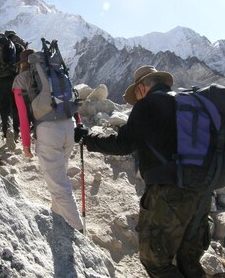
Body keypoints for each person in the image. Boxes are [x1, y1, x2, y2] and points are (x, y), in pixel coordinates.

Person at [74, 66, 211, 277]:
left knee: (155, 261)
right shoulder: (188, 103)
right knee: (188, 259)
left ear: (141, 87)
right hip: (203, 191)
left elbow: (124, 144)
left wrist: (88, 139)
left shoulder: (148, 105)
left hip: (169, 194)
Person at [12, 49, 84, 232]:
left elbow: (22, 114)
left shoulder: (21, 79)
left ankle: (79, 231)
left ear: (21, 64)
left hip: (48, 131)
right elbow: (69, 98)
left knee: (59, 185)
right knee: (60, 176)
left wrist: (26, 144)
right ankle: (58, 217)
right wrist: (79, 123)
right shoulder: (52, 73)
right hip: (69, 125)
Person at [0, 34, 20, 150]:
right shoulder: (12, 46)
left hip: (0, 80)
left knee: (4, 107)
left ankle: (7, 130)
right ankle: (16, 131)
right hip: (12, 78)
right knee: (15, 105)